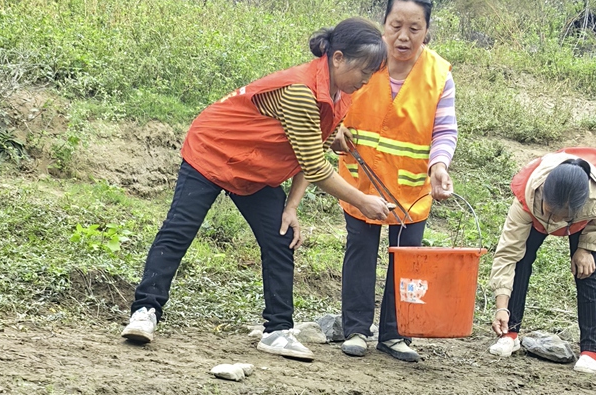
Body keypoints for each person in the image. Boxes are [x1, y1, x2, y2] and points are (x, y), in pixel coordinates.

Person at [121, 19, 392, 360]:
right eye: (364, 69)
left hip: (255, 169)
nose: (367, 79)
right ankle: (145, 312)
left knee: (280, 236)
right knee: (180, 229)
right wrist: (362, 200)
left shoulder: (341, 96)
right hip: (214, 149)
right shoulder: (300, 92)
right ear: (338, 58)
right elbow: (316, 166)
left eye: (373, 72)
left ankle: (277, 331)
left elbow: (312, 150)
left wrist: (291, 207)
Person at [333, 0, 458, 364]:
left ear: (427, 30)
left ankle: (396, 334)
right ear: (383, 24)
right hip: (361, 179)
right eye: (395, 25)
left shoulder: (439, 75)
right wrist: (334, 130)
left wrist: (439, 166)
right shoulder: (366, 61)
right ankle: (355, 329)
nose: (403, 36)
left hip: (411, 188)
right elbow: (335, 100)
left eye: (414, 28)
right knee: (360, 252)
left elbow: (444, 130)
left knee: (406, 258)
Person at [489, 147, 596, 374]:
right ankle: (510, 332)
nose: (556, 220)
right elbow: (507, 254)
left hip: (583, 223)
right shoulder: (527, 198)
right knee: (521, 259)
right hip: (534, 217)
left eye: (563, 216)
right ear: (542, 192)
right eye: (551, 212)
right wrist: (501, 307)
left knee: (587, 270)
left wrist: (586, 247)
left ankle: (591, 350)